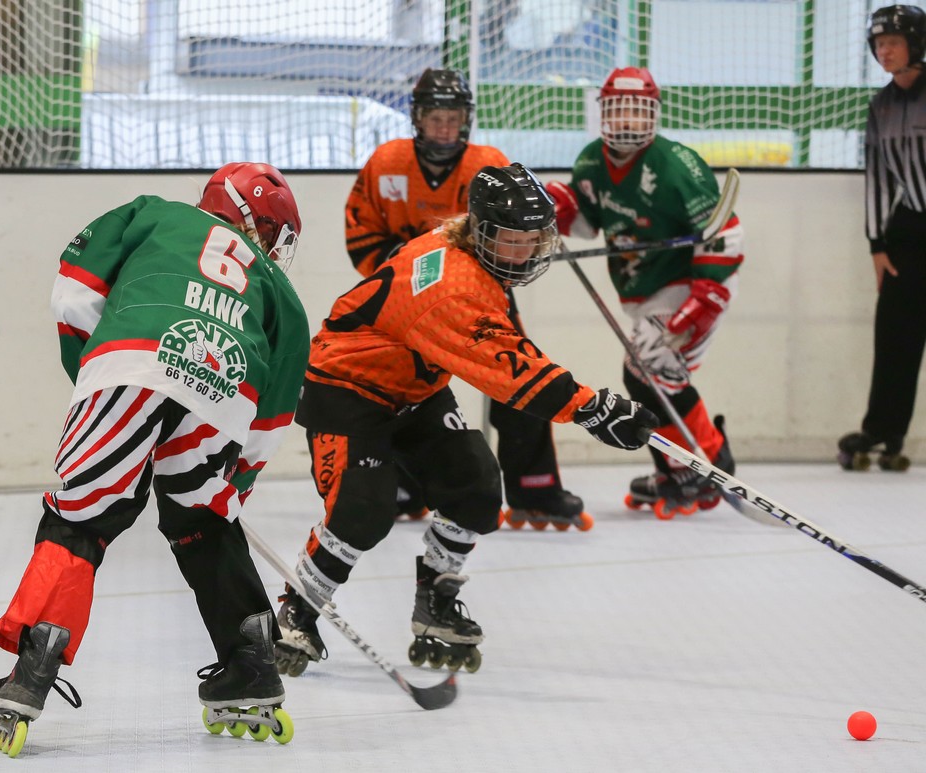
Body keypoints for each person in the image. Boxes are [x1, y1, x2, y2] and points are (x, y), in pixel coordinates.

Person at [273, 164, 658, 678]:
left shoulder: (465, 251)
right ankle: (297, 610)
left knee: (475, 487)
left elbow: (506, 347)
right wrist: (593, 408)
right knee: (361, 510)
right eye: (512, 240)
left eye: (533, 240)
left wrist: (591, 405)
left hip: (415, 390)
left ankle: (435, 599)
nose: (525, 252)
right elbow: (509, 369)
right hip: (348, 389)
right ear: (481, 231)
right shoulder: (451, 287)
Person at [0, 162, 311, 757]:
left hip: (129, 360)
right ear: (256, 223)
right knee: (205, 524)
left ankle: (33, 670)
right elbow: (274, 412)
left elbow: (75, 290)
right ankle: (252, 666)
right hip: (225, 388)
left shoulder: (152, 213)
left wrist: (98, 373)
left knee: (82, 517)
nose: (271, 246)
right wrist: (232, 488)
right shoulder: (276, 286)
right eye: (273, 232)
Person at [346, 67, 588, 530]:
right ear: (418, 118)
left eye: (453, 118)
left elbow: (514, 234)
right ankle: (404, 486)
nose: (444, 127)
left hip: (480, 293)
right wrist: (406, 269)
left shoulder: (489, 164)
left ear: (467, 120)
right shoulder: (386, 162)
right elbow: (360, 233)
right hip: (408, 305)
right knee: (400, 389)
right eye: (436, 117)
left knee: (520, 374)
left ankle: (535, 488)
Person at [544, 66, 744, 518]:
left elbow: (725, 234)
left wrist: (705, 299)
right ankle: (678, 470)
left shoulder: (677, 165)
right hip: (646, 289)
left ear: (653, 114)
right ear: (604, 114)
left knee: (650, 369)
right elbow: (587, 221)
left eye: (638, 111)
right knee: (645, 377)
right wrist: (559, 207)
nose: (628, 121)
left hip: (691, 283)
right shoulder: (591, 161)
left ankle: (709, 461)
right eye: (619, 110)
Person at [838, 5, 926, 472]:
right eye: (878, 44)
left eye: (893, 42)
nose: (884, 51)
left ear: (917, 44)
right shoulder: (881, 105)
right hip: (909, 229)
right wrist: (877, 244)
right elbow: (878, 178)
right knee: (895, 336)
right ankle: (883, 431)